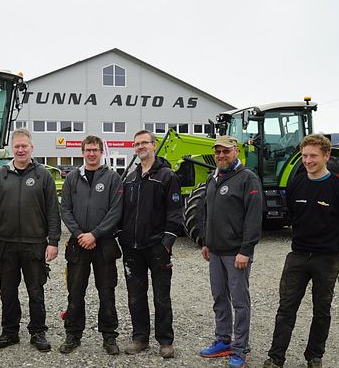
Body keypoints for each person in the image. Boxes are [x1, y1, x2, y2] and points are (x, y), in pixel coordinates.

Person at [263, 134, 339, 368]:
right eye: (305, 155)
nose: (308, 160)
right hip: (297, 257)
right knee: (286, 309)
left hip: (327, 259)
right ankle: (276, 358)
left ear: (326, 156)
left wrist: (336, 247)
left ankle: (314, 356)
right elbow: (294, 216)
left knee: (321, 310)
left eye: (313, 156)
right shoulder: (296, 183)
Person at [0, 128, 61, 352]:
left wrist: (53, 241)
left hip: (34, 243)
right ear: (11, 149)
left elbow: (53, 212)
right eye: (16, 146)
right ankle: (9, 332)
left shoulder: (42, 175)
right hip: (5, 243)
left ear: (31, 148)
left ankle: (38, 332)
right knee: (7, 291)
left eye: (24, 146)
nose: (20, 149)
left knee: (35, 290)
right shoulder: (1, 176)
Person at [118, 129, 185, 359]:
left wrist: (166, 243)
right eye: (136, 144)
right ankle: (140, 338)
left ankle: (165, 341)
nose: (140, 147)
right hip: (132, 249)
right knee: (135, 296)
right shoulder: (130, 178)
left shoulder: (167, 176)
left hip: (157, 247)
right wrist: (122, 237)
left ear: (154, 145)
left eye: (144, 142)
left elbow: (176, 214)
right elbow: (121, 212)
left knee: (161, 297)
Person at [197, 135, 263, 368]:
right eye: (218, 152)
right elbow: (207, 212)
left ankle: (240, 347)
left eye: (226, 151)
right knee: (219, 298)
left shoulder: (247, 179)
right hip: (215, 251)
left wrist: (246, 250)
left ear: (236, 151)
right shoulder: (213, 178)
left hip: (236, 253)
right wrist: (206, 242)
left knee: (239, 301)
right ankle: (223, 340)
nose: (221, 156)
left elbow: (254, 218)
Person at [59, 135, 123, 355]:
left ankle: (109, 336)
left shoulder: (113, 178)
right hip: (78, 245)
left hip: (104, 245)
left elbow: (116, 211)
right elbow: (65, 209)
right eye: (88, 150)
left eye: (96, 150)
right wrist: (79, 234)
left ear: (101, 151)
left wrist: (95, 234)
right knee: (75, 292)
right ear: (82, 151)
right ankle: (73, 335)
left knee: (107, 292)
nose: (92, 153)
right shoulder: (72, 178)